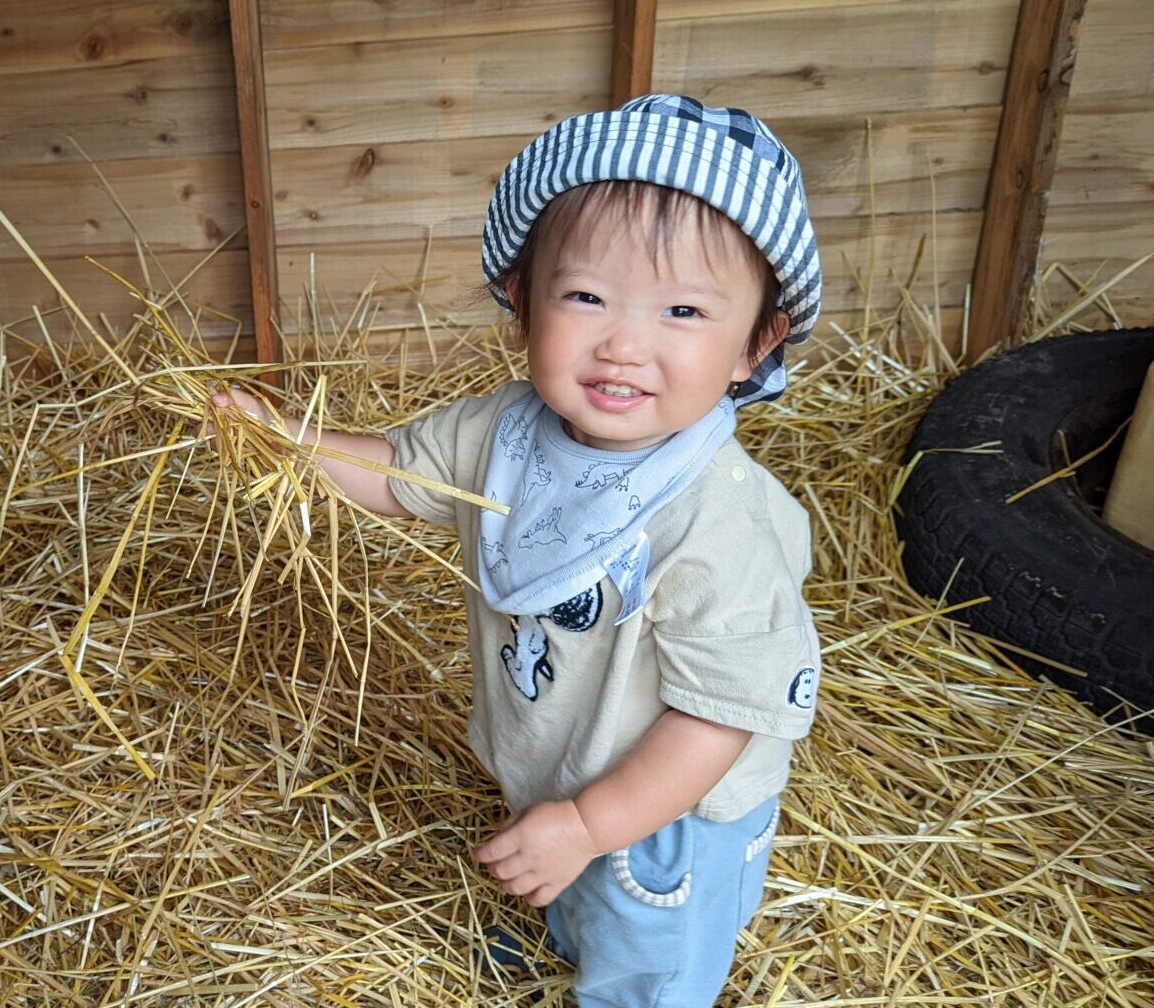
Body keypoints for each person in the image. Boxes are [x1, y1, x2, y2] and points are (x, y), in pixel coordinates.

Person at [213, 94, 824, 1005]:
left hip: (668, 822)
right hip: (558, 766)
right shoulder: (505, 430)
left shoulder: (714, 519)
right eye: (585, 296)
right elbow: (398, 475)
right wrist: (294, 444)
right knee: (572, 896)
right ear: (521, 300)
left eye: (685, 311)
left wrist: (588, 824)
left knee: (645, 967)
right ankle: (569, 919)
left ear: (756, 344)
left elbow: (717, 719)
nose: (624, 344)